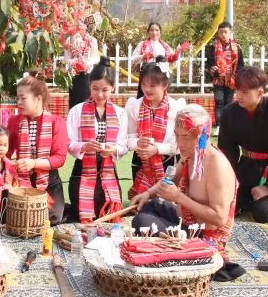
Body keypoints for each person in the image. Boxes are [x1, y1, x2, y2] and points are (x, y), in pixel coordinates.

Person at [131, 104, 238, 254]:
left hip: (203, 236)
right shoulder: (190, 154)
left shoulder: (216, 164)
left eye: (186, 137)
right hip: (186, 220)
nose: (180, 144)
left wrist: (178, 197)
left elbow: (219, 218)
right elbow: (172, 178)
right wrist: (148, 193)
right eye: (177, 135)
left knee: (142, 222)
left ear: (202, 136)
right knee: (151, 205)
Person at [218, 66, 268, 223]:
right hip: (246, 166)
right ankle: (246, 200)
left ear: (260, 92)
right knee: (224, 205)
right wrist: (227, 182)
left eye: (245, 92)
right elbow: (227, 151)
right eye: (237, 91)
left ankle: (258, 199)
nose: (238, 96)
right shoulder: (230, 112)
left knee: (264, 212)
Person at [66, 56, 129, 223]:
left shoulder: (120, 113)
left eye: (105, 89)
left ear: (113, 88)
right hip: (82, 171)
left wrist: (113, 149)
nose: (100, 94)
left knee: (109, 214)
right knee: (83, 212)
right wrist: (84, 146)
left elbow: (124, 145)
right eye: (95, 89)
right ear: (89, 86)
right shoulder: (77, 111)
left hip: (108, 170)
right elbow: (69, 143)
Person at [6, 72, 69, 224]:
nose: (19, 102)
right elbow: (6, 152)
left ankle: (62, 208)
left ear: (38, 98)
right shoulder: (14, 121)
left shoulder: (57, 122)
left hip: (49, 180)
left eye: (23, 98)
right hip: (21, 179)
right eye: (18, 98)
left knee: (49, 218)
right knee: (18, 216)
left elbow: (59, 159)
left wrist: (33, 163)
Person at [126, 63, 185, 199]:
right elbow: (128, 139)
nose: (147, 89)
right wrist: (138, 143)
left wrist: (156, 149)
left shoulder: (175, 107)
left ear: (164, 85)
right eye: (144, 84)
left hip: (167, 163)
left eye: (152, 85)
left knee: (164, 205)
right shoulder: (135, 106)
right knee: (140, 207)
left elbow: (177, 145)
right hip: (141, 162)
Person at [130, 22, 189, 98]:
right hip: (147, 75)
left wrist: (177, 53)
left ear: (160, 32)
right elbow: (133, 59)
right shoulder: (142, 44)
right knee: (144, 96)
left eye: (157, 30)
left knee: (160, 96)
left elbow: (172, 59)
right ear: (148, 32)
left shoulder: (164, 46)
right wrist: (144, 56)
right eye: (152, 30)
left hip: (160, 76)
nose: (154, 32)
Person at [204, 21, 243, 134]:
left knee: (229, 102)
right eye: (221, 32)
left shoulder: (237, 47)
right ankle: (219, 126)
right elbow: (209, 63)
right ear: (218, 33)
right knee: (219, 101)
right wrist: (214, 69)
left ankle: (228, 126)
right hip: (218, 80)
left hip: (231, 80)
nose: (223, 34)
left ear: (230, 33)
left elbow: (241, 64)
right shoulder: (212, 47)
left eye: (226, 32)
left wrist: (237, 77)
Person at [63, 19, 100, 108]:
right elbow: (67, 58)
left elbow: (96, 58)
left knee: (86, 98)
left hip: (87, 74)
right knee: (74, 100)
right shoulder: (69, 39)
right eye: (77, 24)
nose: (79, 26)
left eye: (82, 24)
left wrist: (86, 63)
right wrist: (75, 62)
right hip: (74, 74)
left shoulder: (92, 40)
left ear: (86, 26)